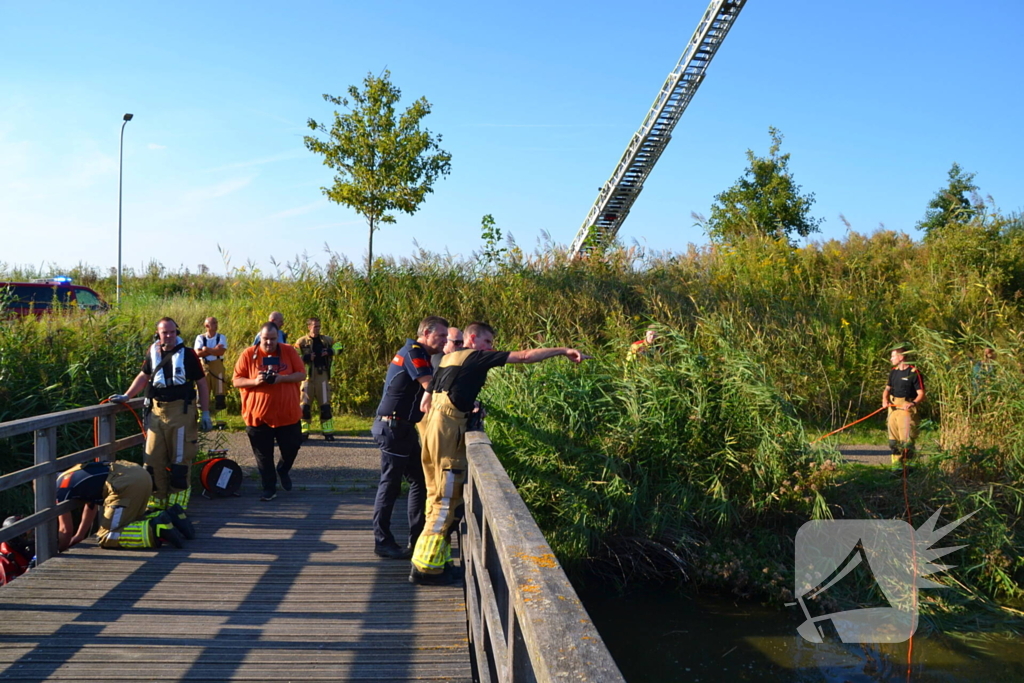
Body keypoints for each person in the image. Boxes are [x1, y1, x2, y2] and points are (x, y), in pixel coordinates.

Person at [409, 322, 589, 585]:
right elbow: (525, 357)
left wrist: (468, 406)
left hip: (431, 430)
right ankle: (426, 569)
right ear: (473, 339)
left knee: (435, 493)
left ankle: (438, 561)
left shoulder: (448, 359)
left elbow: (428, 400)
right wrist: (563, 350)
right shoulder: (476, 356)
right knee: (447, 498)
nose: (491, 348)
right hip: (447, 432)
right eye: (488, 342)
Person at [109, 317, 211, 511]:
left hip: (181, 411)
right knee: (152, 460)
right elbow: (144, 375)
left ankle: (177, 507)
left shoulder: (188, 355)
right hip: (156, 412)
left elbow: (202, 384)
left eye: (173, 332)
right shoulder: (152, 353)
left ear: (177, 333)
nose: (170, 336)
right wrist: (127, 396)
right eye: (165, 332)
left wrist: (205, 412)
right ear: (158, 334)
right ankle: (157, 504)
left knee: (180, 461)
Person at [371, 316, 449, 559]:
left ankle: (417, 538)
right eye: (442, 336)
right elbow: (430, 385)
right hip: (392, 428)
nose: (445, 341)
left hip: (402, 428)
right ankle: (382, 541)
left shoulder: (420, 354)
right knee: (390, 484)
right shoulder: (413, 352)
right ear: (426, 333)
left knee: (418, 479)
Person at [233, 321, 306, 501]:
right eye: (265, 339)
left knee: (292, 447)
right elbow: (236, 380)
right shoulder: (249, 354)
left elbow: (302, 374)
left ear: (278, 337)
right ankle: (269, 488)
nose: (269, 343)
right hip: (258, 417)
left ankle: (283, 469)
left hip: (287, 415)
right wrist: (255, 381)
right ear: (260, 337)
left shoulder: (288, 351)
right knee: (263, 456)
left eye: (273, 339)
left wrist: (281, 379)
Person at [55, 461, 194, 550]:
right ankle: (171, 516)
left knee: (106, 536)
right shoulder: (70, 474)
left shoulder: (59, 489)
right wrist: (79, 536)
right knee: (131, 520)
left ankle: (155, 528)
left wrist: (60, 550)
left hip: (124, 483)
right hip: (138, 473)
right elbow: (90, 505)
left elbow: (65, 530)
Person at [294, 317, 337, 441]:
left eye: (319, 326)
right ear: (309, 327)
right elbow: (294, 355)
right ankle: (304, 432)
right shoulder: (301, 341)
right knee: (305, 406)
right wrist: (306, 357)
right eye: (315, 326)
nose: (317, 329)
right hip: (307, 377)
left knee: (325, 405)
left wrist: (330, 351)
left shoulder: (327, 340)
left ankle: (328, 432)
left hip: (322, 375)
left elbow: (340, 347)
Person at [882, 343, 926, 464]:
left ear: (901, 357)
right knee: (893, 443)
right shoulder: (893, 372)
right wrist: (885, 400)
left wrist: (913, 403)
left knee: (906, 443)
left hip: (906, 408)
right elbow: (887, 389)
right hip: (893, 408)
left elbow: (921, 393)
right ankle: (896, 468)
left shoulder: (914, 372)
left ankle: (909, 469)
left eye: (893, 356)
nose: (891, 359)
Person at [194, 316, 228, 417]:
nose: (216, 325)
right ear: (206, 325)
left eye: (216, 322)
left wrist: (206, 349)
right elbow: (198, 353)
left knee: (220, 394)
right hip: (204, 368)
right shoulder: (200, 338)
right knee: (201, 394)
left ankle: (221, 421)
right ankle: (201, 418)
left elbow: (221, 351)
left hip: (218, 367)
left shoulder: (221, 337)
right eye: (213, 323)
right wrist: (213, 350)